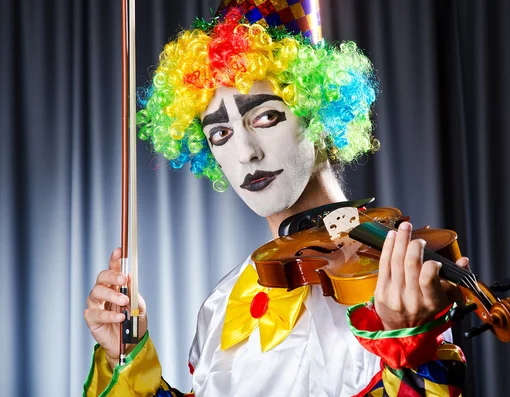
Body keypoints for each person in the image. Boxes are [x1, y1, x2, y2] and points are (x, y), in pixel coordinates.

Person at [83, 1, 469, 396]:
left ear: (319, 113)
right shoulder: (224, 302)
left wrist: (412, 349)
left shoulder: (391, 282)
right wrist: (124, 357)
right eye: (220, 134)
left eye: (265, 117)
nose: (246, 153)